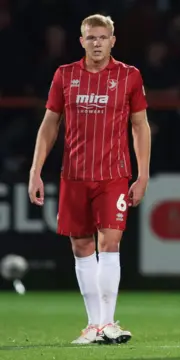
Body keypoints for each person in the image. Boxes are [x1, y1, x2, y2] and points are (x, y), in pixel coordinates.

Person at [28, 14, 151, 345]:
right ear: (81, 41)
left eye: (103, 37)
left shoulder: (129, 76)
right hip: (74, 175)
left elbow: (140, 126)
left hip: (113, 175)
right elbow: (50, 123)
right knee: (81, 245)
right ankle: (94, 325)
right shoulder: (65, 75)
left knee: (109, 242)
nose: (97, 43)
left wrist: (143, 174)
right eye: (91, 37)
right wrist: (35, 170)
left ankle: (108, 322)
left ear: (113, 40)